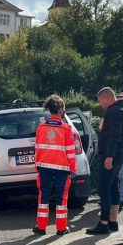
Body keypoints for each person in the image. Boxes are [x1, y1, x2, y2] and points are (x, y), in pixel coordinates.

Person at [87, 87, 123, 235]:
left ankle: (103, 223)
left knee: (104, 188)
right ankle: (113, 221)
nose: (99, 104)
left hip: (110, 155)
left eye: (100, 100)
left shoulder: (114, 112)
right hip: (119, 154)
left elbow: (114, 136)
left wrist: (109, 156)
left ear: (106, 98)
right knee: (113, 186)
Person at [33, 95, 77, 236]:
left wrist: (37, 166)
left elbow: (37, 148)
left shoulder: (41, 127)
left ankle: (41, 227)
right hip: (62, 169)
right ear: (60, 109)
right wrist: (73, 168)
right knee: (61, 198)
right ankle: (61, 228)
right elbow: (71, 152)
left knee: (43, 198)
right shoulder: (67, 129)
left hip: (44, 168)